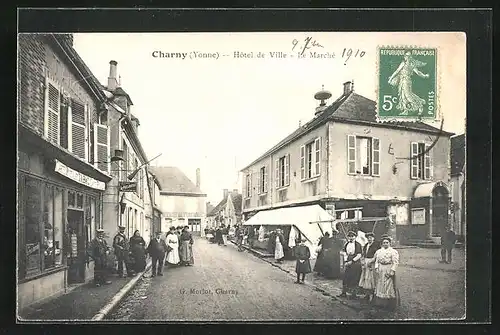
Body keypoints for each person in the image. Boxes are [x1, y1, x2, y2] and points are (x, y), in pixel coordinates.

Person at [388, 50, 430, 116]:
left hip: (407, 81)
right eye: (407, 55)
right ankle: (406, 110)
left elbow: (418, 72)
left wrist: (424, 76)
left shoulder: (411, 64)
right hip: (402, 81)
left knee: (408, 95)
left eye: (410, 56)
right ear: (405, 56)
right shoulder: (403, 63)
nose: (408, 57)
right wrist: (390, 79)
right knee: (403, 96)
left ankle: (420, 105)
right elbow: (397, 71)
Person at [373, 235, 400, 311]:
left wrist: (392, 271)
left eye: (387, 242)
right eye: (384, 243)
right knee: (380, 285)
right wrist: (376, 268)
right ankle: (380, 303)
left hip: (388, 268)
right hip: (381, 269)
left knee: (388, 285)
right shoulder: (379, 251)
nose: (385, 244)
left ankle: (389, 304)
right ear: (382, 243)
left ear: (389, 243)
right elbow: (377, 261)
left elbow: (395, 262)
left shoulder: (393, 252)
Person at [338, 231, 363, 299]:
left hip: (355, 263)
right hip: (348, 261)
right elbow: (344, 253)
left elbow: (359, 255)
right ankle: (344, 293)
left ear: (355, 237)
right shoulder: (346, 244)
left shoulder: (358, 245)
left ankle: (353, 294)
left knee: (354, 278)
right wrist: (346, 261)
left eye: (352, 236)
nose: (351, 238)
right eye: (350, 236)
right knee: (346, 277)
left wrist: (352, 261)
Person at [359, 232, 380, 302]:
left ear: (373, 238)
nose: (369, 239)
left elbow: (377, 255)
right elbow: (363, 254)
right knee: (366, 278)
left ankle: (373, 295)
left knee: (372, 279)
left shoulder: (376, 245)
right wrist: (363, 261)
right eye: (368, 238)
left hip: (372, 262)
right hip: (366, 262)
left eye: (371, 238)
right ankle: (367, 295)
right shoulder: (366, 245)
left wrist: (371, 262)